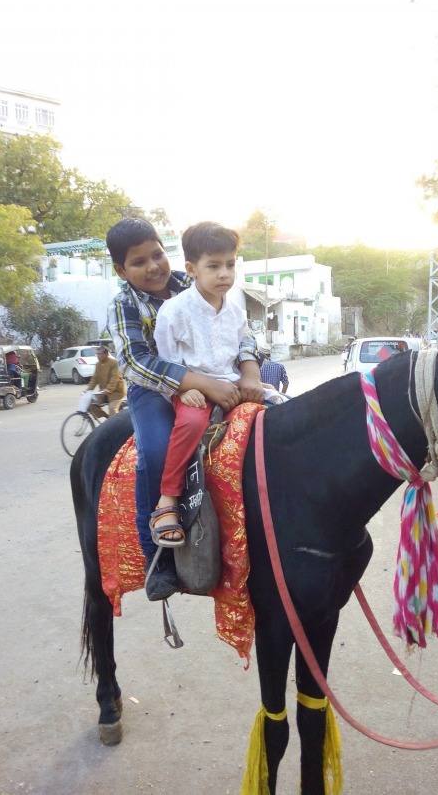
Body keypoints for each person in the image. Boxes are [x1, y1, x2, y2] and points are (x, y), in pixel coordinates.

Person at [106, 217, 265, 600]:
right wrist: (197, 384)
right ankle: (157, 557)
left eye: (157, 255)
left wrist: (250, 371)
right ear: (120, 270)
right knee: (157, 448)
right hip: (155, 388)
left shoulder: (194, 277)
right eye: (139, 262)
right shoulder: (124, 304)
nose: (153, 267)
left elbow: (243, 333)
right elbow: (135, 362)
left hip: (219, 374)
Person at [149, 222, 285, 548]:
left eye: (230, 264)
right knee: (191, 421)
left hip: (232, 385)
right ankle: (167, 500)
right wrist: (183, 389)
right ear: (191, 269)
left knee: (284, 409)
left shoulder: (236, 312)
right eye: (214, 266)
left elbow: (243, 350)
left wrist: (251, 379)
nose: (224, 274)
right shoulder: (174, 311)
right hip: (193, 390)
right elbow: (166, 361)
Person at [83, 346, 126, 418]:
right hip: (103, 393)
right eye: (97, 354)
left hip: (116, 392)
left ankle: (114, 426)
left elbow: (114, 378)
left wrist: (108, 389)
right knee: (91, 404)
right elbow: (94, 379)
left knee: (112, 408)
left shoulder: (114, 363)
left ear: (106, 354)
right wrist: (88, 390)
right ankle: (107, 418)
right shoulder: (98, 364)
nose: (98, 356)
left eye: (100, 354)